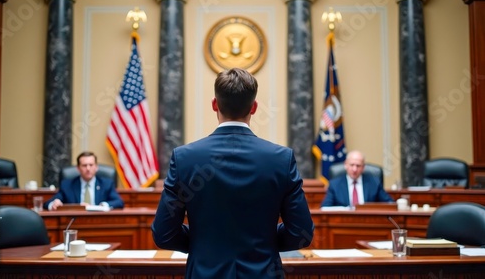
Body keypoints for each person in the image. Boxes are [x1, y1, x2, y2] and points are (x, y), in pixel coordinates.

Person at [152, 68, 314, 278]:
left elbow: (164, 234)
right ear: (254, 107)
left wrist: (203, 243)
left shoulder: (185, 158)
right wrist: (265, 240)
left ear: (214, 104)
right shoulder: (281, 159)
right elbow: (301, 233)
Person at [44, 151, 124, 210]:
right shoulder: (67, 185)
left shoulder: (106, 184)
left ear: (96, 167)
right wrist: (54, 204)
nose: (88, 169)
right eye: (84, 165)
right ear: (78, 168)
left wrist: (102, 206)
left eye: (91, 165)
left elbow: (119, 202)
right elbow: (47, 203)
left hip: (99, 222)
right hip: (75, 223)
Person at [321, 150, 393, 207]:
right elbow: (325, 208)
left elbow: (390, 204)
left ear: (363, 167)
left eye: (358, 166)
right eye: (352, 165)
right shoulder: (334, 184)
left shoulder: (374, 183)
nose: (354, 169)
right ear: (345, 165)